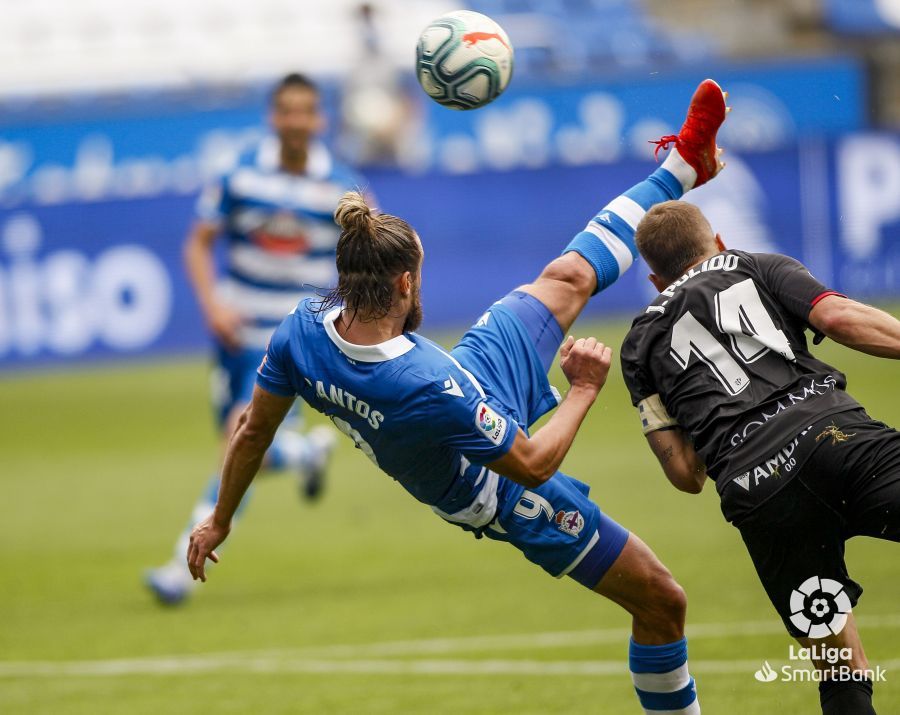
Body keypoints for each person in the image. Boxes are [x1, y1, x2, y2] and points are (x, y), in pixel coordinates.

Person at [187, 79, 730, 714]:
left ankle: (683, 166)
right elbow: (532, 465)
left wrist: (221, 518)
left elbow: (252, 430)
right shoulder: (425, 382)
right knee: (662, 601)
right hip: (495, 490)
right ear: (405, 283)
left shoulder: (301, 328)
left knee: (567, 276)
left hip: (472, 376)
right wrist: (583, 389)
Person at [620, 201, 900, 714]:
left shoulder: (639, 342)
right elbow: (837, 317)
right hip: (836, 440)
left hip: (758, 493)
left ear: (655, 280)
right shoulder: (753, 264)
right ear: (718, 243)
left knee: (839, 668)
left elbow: (685, 474)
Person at [146, 73, 366, 605]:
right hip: (236, 333)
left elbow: (369, 254)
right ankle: (303, 452)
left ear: (320, 119)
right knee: (242, 449)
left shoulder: (342, 187)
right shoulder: (240, 174)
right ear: (274, 117)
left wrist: (344, 319)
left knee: (239, 439)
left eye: (306, 110)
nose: (296, 121)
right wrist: (212, 305)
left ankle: (182, 565)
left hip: (293, 337)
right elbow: (198, 244)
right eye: (287, 110)